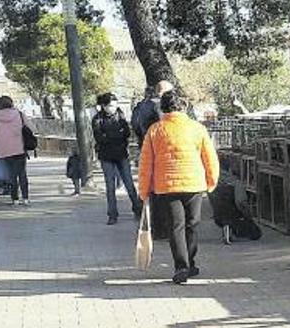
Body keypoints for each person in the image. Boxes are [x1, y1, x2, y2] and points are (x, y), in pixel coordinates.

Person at [138, 91, 220, 284]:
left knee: (176, 227)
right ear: (182, 108)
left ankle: (181, 267)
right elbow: (210, 158)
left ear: (162, 109)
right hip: (194, 183)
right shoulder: (197, 128)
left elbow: (146, 163)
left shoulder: (155, 130)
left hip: (167, 186)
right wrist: (211, 181)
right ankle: (190, 262)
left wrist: (143, 191)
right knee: (193, 224)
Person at [93, 92, 142, 224]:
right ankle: (112, 214)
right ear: (103, 106)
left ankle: (137, 209)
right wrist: (115, 136)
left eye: (114, 105)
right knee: (110, 186)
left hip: (121, 154)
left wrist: (111, 136)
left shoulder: (120, 116)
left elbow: (126, 133)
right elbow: (100, 138)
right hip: (106, 156)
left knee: (129, 184)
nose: (113, 108)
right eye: (110, 106)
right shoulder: (97, 119)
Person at [0, 96, 31, 205]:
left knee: (11, 175)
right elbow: (30, 128)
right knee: (22, 174)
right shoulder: (19, 114)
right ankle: (25, 198)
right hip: (20, 148)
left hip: (5, 151)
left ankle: (15, 199)